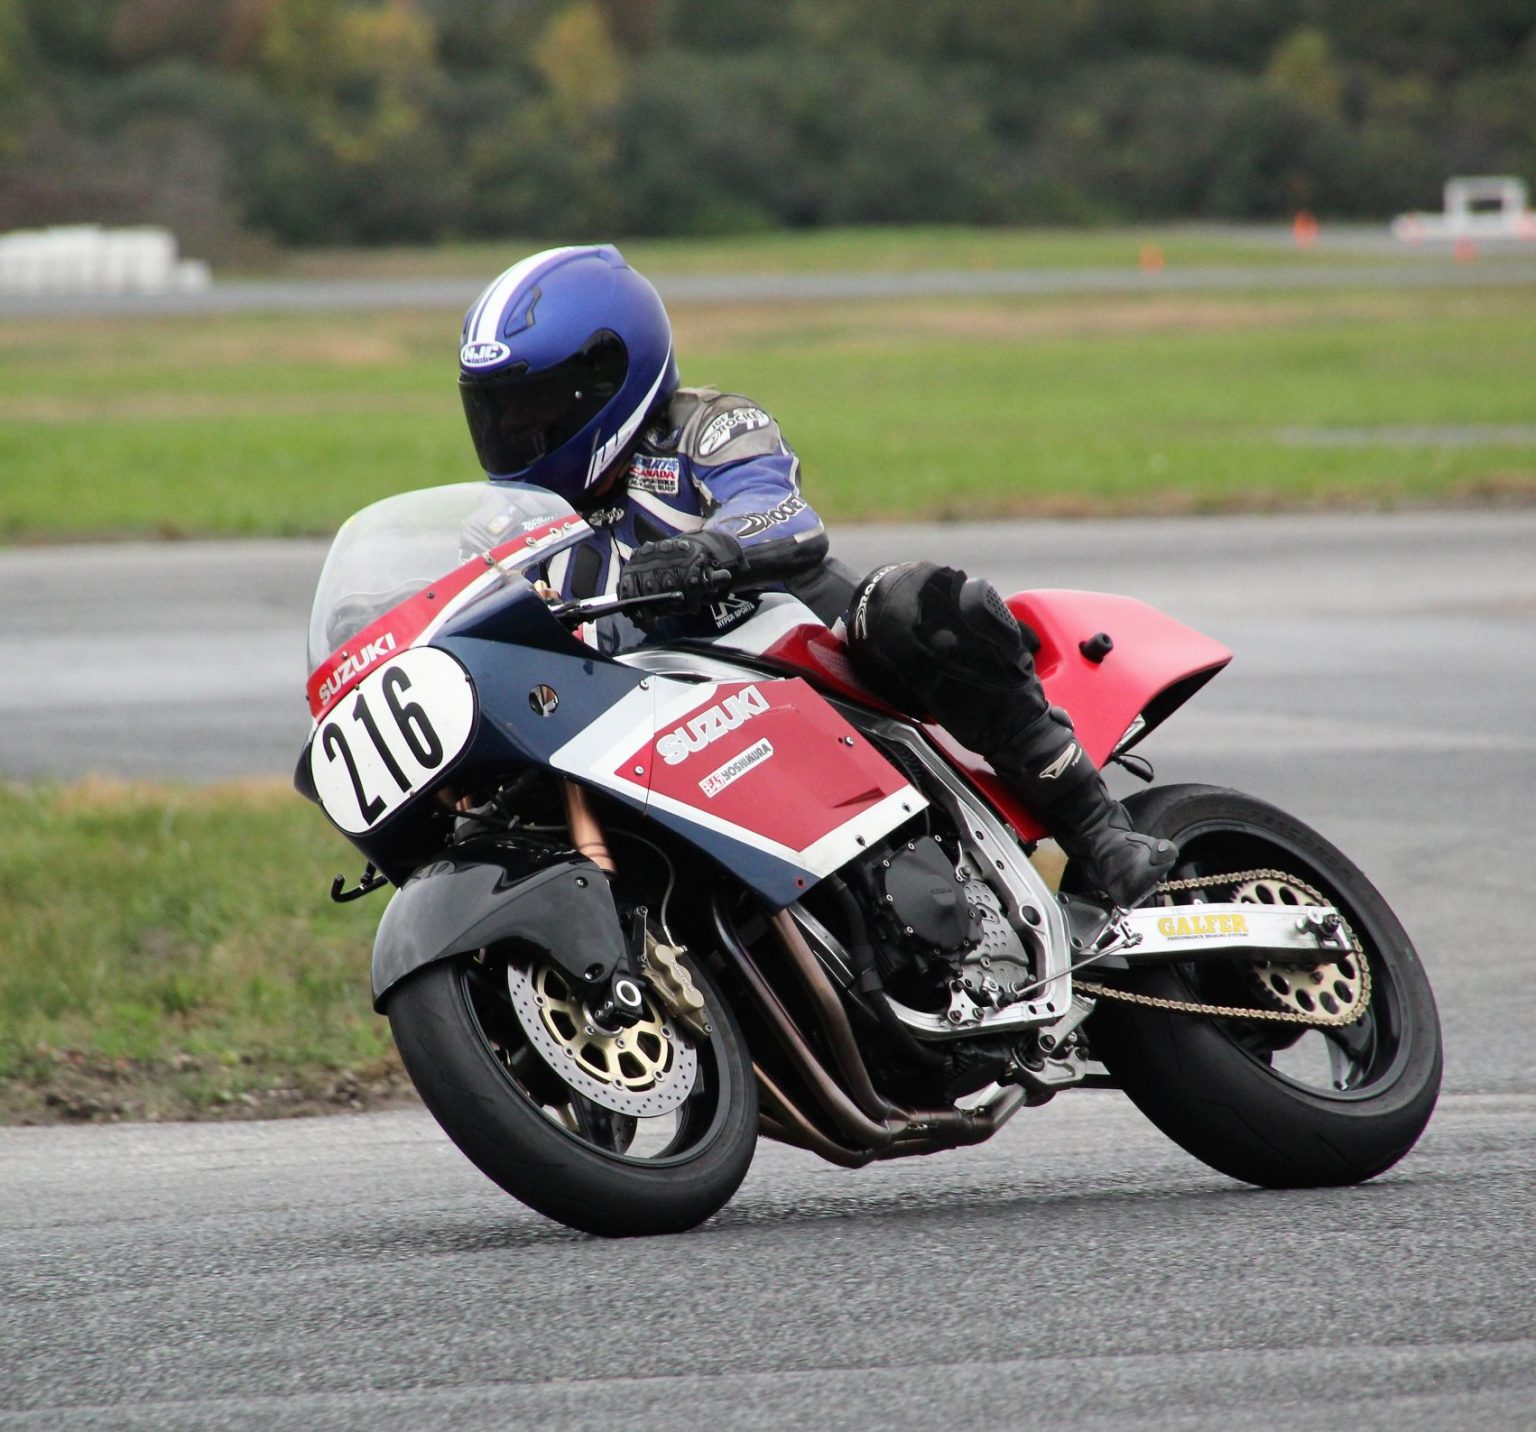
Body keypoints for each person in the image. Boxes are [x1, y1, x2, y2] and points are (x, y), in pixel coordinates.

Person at [457, 244, 1176, 908]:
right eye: (501, 410)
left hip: (808, 665)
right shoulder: (509, 527)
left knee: (916, 605)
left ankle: (1098, 830)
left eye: (540, 405)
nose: (520, 430)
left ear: (609, 377)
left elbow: (779, 511)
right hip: (658, 725)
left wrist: (709, 550)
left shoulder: (705, 427)